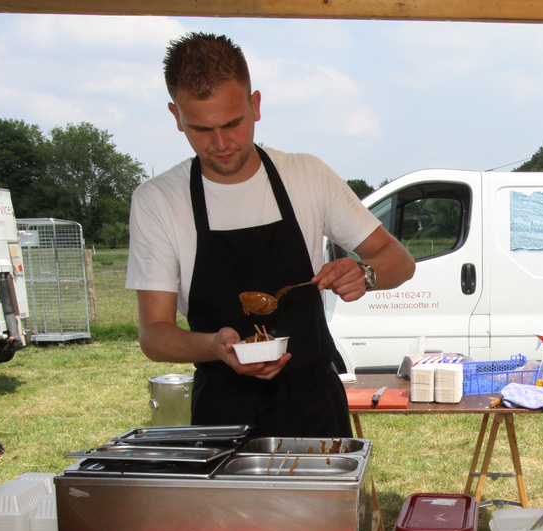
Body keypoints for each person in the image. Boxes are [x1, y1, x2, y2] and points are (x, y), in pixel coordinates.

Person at [126, 33, 415, 436]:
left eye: (233, 123)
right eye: (201, 129)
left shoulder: (306, 175)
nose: (221, 143)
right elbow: (154, 335)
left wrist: (366, 274)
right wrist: (214, 347)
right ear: (176, 116)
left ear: (255, 105)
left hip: (314, 406)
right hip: (223, 412)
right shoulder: (158, 200)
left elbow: (400, 260)